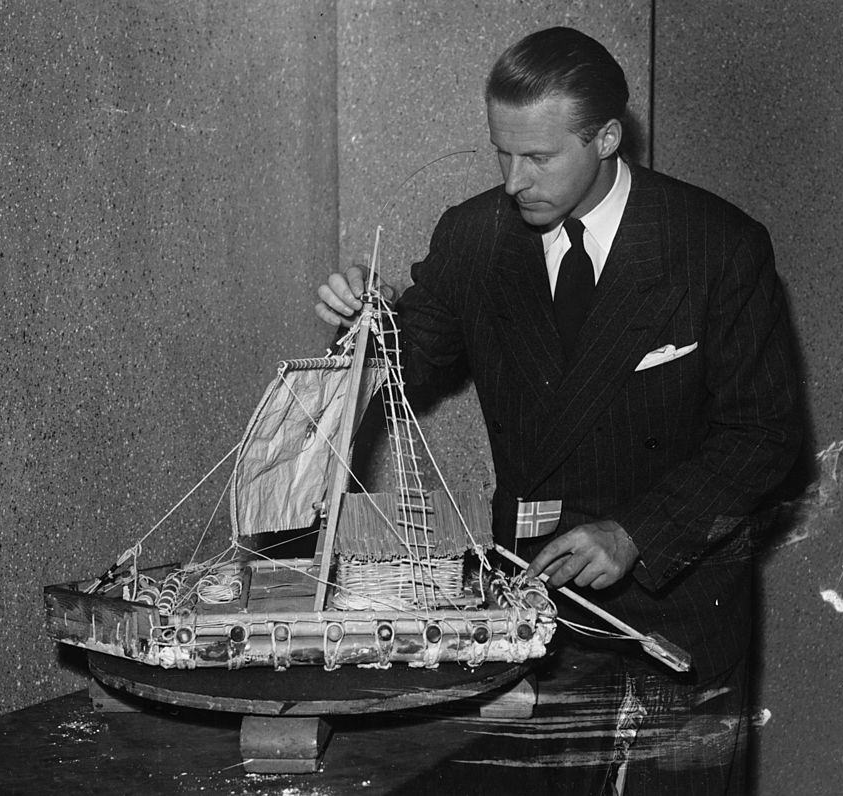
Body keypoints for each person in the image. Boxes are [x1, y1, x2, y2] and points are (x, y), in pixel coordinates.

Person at [315, 26, 801, 794]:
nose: (514, 181)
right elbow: (412, 358)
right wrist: (367, 325)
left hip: (678, 613)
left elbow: (766, 438)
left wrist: (638, 533)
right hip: (534, 613)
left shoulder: (716, 246)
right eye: (502, 153)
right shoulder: (475, 236)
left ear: (607, 137)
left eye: (539, 157)